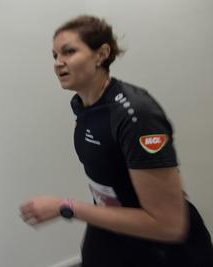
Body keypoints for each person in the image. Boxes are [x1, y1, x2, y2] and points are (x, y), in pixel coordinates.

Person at [19, 15, 213, 267]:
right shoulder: (84, 107)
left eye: (69, 51)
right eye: (54, 55)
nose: (58, 63)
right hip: (115, 233)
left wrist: (64, 207)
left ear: (101, 54)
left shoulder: (135, 113)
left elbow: (170, 226)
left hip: (163, 253)